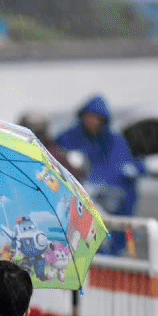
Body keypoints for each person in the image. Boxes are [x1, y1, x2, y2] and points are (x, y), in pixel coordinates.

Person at [56, 95, 144, 254]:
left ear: (104, 120)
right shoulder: (68, 138)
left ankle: (117, 251)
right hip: (78, 201)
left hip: (110, 203)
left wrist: (133, 171)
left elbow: (124, 166)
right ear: (83, 116)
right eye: (90, 117)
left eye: (97, 118)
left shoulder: (114, 141)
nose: (93, 121)